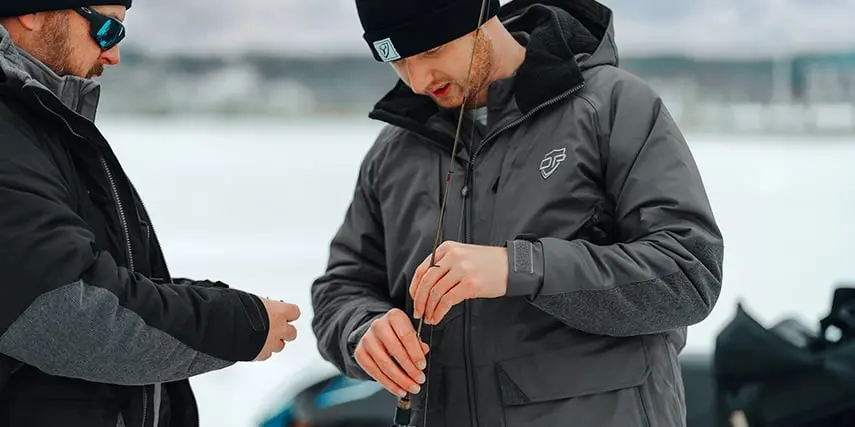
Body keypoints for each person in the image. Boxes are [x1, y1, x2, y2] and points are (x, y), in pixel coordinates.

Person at [310, 0, 724, 425]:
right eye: (397, 61)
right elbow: (340, 290)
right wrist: (363, 329)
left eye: (430, 51)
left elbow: (690, 275)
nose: (417, 80)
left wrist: (519, 267)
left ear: (482, 14)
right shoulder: (393, 153)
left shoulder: (614, 107)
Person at [0, 2, 301, 426]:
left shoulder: (38, 123)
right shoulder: (11, 130)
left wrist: (213, 303)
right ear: (31, 10)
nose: (113, 55)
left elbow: (75, 277)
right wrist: (233, 324)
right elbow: (65, 310)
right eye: (107, 30)